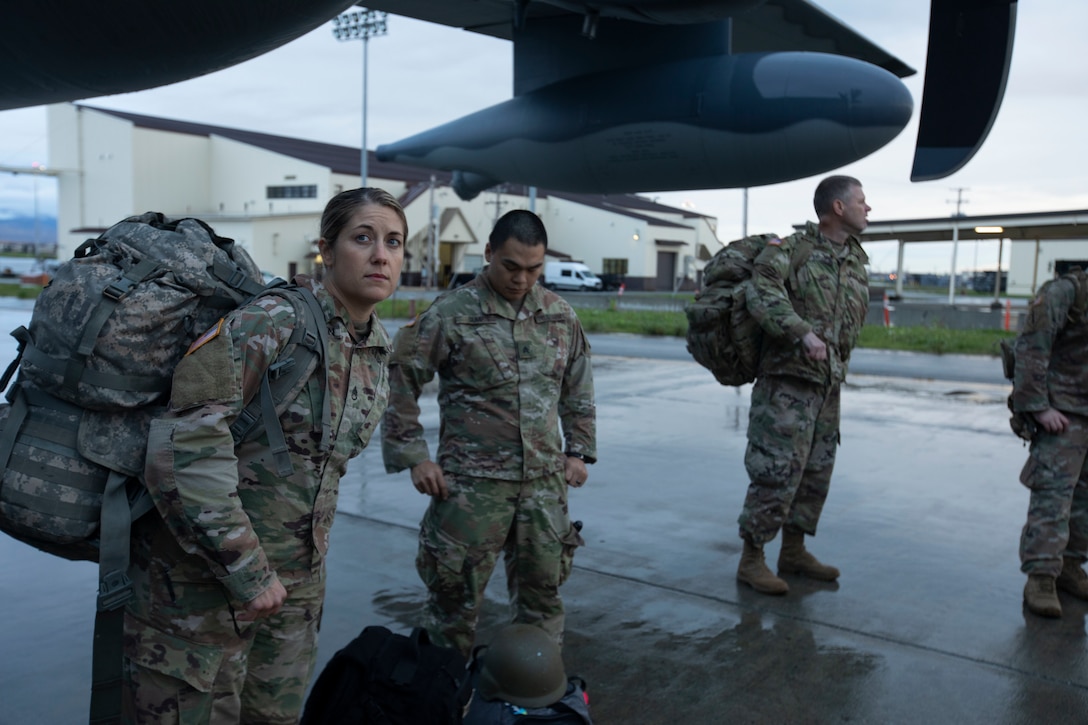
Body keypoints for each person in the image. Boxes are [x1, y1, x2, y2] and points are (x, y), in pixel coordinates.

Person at [123, 187, 406, 723]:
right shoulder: (273, 323)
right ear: (326, 249)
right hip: (203, 593)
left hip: (292, 597)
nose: (380, 255)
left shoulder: (372, 347)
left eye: (394, 242)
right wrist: (249, 570)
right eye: (363, 238)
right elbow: (182, 448)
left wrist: (286, 583)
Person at [381, 209, 596, 658]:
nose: (522, 279)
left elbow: (578, 387)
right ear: (489, 254)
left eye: (534, 269)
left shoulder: (559, 315)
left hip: (543, 487)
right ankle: (445, 697)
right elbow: (401, 379)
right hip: (470, 491)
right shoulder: (452, 314)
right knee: (452, 604)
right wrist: (414, 456)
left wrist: (578, 451)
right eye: (511, 266)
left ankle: (534, 697)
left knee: (543, 599)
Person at [735, 175, 871, 595]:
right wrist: (799, 331)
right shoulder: (794, 250)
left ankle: (792, 550)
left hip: (827, 385)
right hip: (787, 386)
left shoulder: (853, 259)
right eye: (862, 201)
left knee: (815, 472)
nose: (869, 209)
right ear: (838, 208)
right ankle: (752, 559)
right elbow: (761, 291)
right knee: (777, 471)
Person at [1011, 267, 1088, 618]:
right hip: (1064, 413)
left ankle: (1070, 567)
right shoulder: (1067, 292)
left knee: (1085, 502)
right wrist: (1037, 406)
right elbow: (1031, 345)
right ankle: (1041, 577)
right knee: (1053, 496)